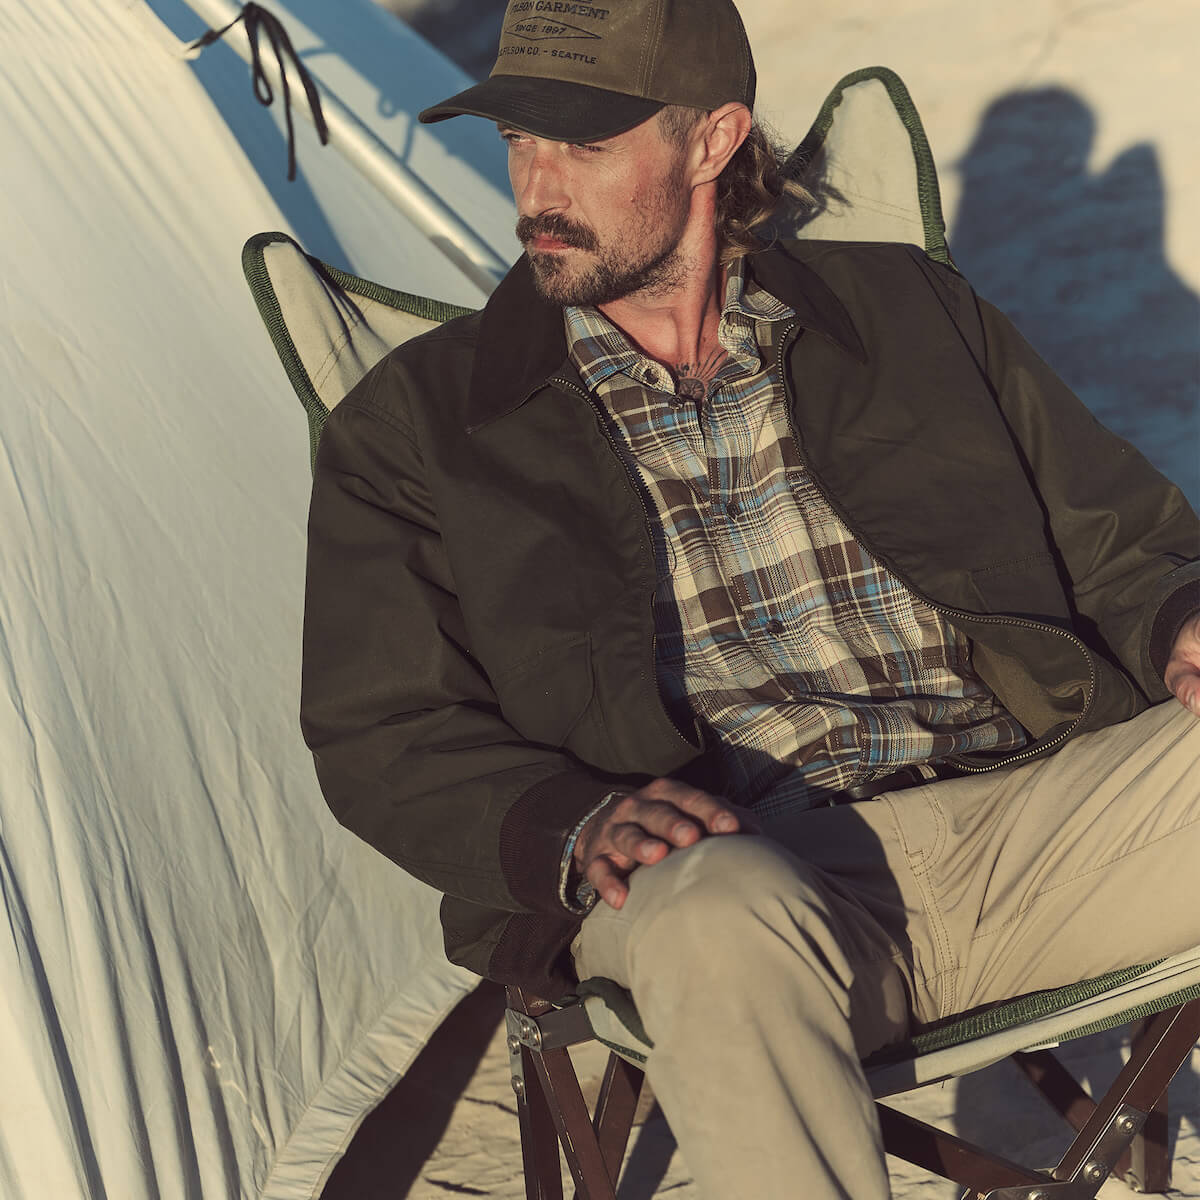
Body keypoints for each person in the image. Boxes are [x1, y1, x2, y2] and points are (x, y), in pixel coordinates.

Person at [300, 0, 1200, 1193]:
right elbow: (383, 729)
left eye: (584, 145)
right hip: (732, 886)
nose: (537, 188)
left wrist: (1183, 618)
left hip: (1032, 831)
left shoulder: (909, 314)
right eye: (520, 140)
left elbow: (1125, 540)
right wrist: (574, 822)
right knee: (723, 909)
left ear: (714, 140)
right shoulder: (422, 424)